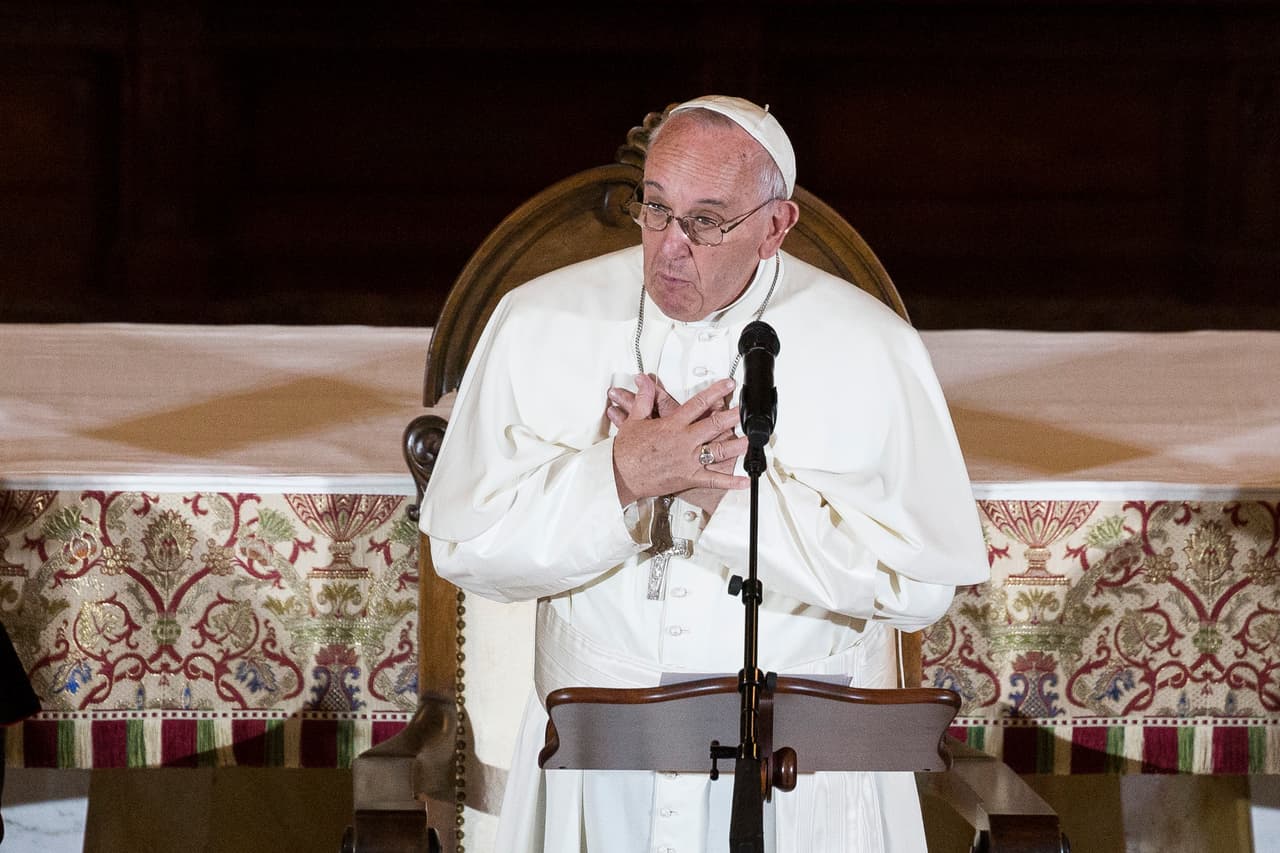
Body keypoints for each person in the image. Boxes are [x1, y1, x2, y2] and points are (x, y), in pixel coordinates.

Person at [420, 95, 988, 852]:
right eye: (655, 209)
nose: (669, 248)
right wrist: (621, 476)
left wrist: (714, 494)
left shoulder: (870, 346)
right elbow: (465, 546)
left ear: (775, 226)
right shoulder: (539, 320)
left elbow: (919, 585)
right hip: (597, 772)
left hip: (804, 779)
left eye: (707, 220)